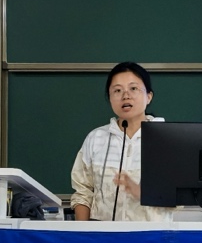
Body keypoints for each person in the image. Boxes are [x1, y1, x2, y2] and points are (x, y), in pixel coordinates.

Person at [70, 62, 172, 221]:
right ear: (110, 98)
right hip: (102, 233)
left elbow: (178, 200)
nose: (126, 96)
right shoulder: (96, 138)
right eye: (117, 90)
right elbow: (83, 193)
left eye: (133, 88)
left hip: (151, 234)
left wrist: (142, 193)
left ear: (149, 97)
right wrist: (82, 231)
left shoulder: (167, 139)